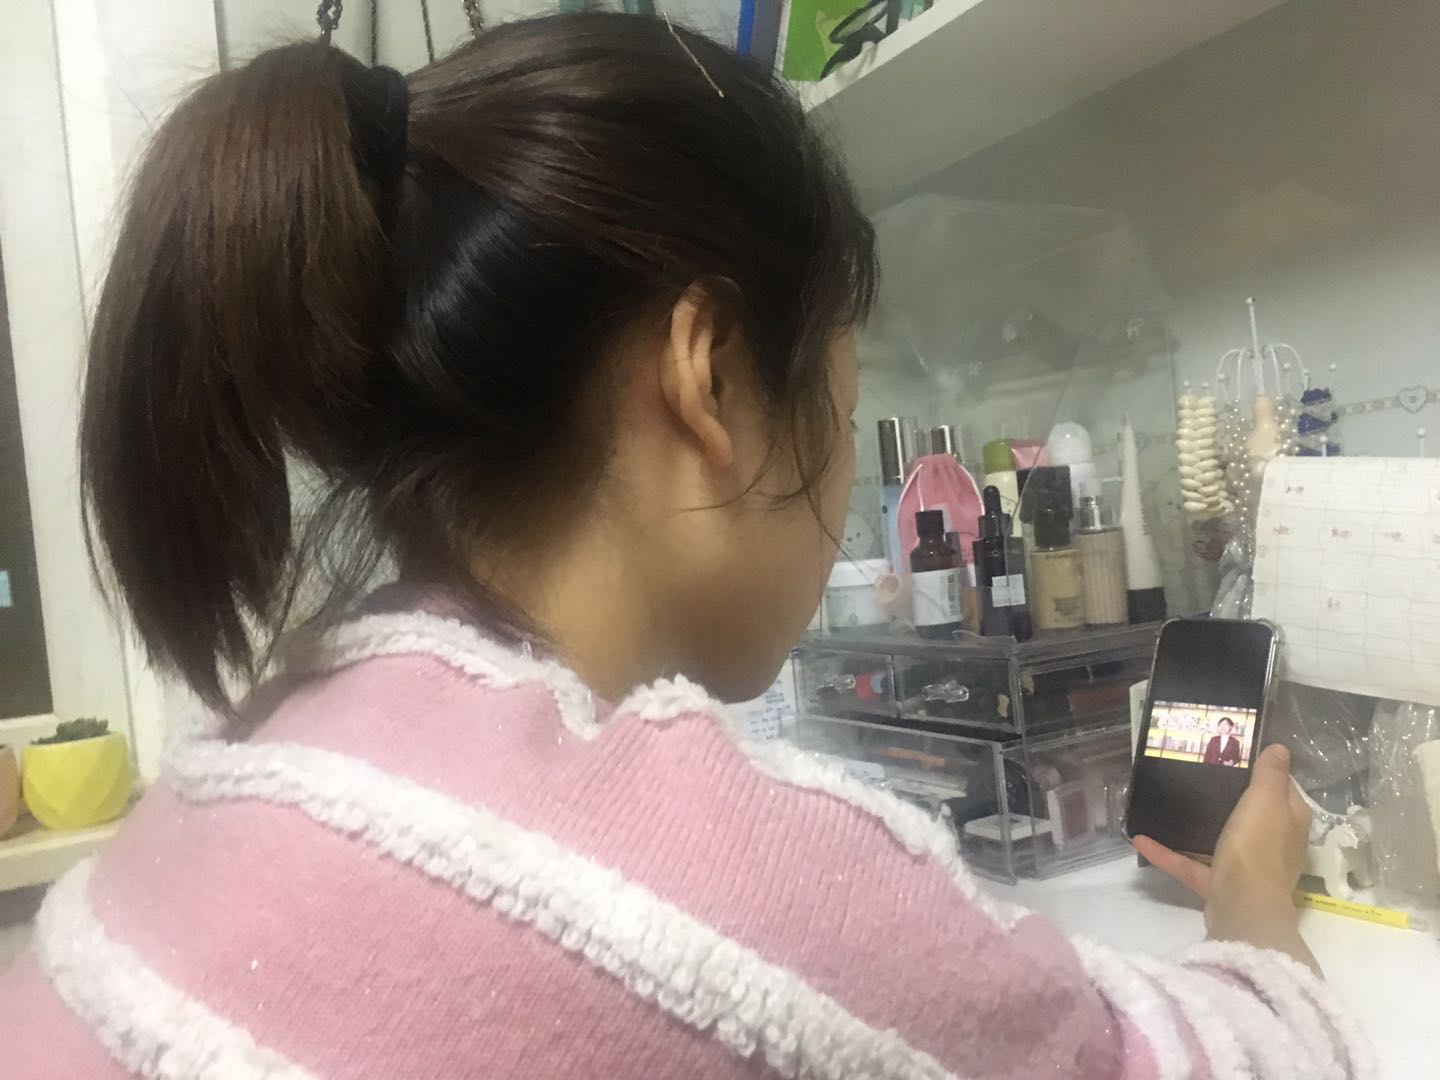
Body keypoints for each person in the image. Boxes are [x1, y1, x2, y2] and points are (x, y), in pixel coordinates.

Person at [0, 15, 1371, 1078]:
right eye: (838, 408)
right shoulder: (732, 885)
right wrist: (1255, 904)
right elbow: (1250, 1061)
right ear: (709, 377)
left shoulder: (258, 750)